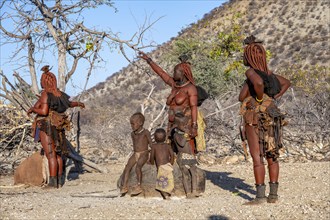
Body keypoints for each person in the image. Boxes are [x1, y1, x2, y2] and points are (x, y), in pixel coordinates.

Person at [238, 35, 291, 204]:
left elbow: (258, 84)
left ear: (249, 56)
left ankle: (260, 197)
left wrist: (260, 99)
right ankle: (273, 196)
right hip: (272, 114)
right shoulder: (270, 74)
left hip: (255, 116)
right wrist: (274, 97)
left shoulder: (251, 73)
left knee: (257, 156)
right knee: (271, 152)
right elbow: (287, 83)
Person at [27, 65, 85, 188]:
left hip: (46, 126)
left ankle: (53, 183)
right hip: (58, 127)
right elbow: (69, 103)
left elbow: (43, 111)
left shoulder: (46, 94)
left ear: (44, 81)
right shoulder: (60, 94)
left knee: (51, 155)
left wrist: (33, 109)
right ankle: (59, 181)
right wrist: (79, 103)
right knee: (58, 154)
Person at [138, 52, 198, 154]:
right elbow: (161, 73)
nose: (173, 74)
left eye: (175, 72)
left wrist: (194, 126)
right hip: (172, 123)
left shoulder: (190, 88)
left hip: (185, 124)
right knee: (173, 148)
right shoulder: (174, 85)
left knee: (186, 149)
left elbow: (194, 108)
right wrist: (149, 60)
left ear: (183, 73)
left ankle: (189, 167)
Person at [120, 112, 152, 196]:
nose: (132, 126)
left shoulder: (146, 132)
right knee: (127, 167)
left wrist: (151, 156)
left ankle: (139, 186)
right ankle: (124, 186)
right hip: (136, 154)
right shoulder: (132, 134)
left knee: (138, 167)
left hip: (144, 153)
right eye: (131, 124)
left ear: (140, 123)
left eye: (133, 124)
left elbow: (151, 144)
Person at [149, 128, 175, 199]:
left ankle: (165, 195)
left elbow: (151, 157)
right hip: (168, 166)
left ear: (154, 137)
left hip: (160, 167)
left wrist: (151, 163)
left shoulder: (154, 146)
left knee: (161, 182)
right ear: (165, 137)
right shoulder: (168, 146)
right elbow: (172, 155)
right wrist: (171, 164)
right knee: (169, 180)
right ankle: (169, 192)